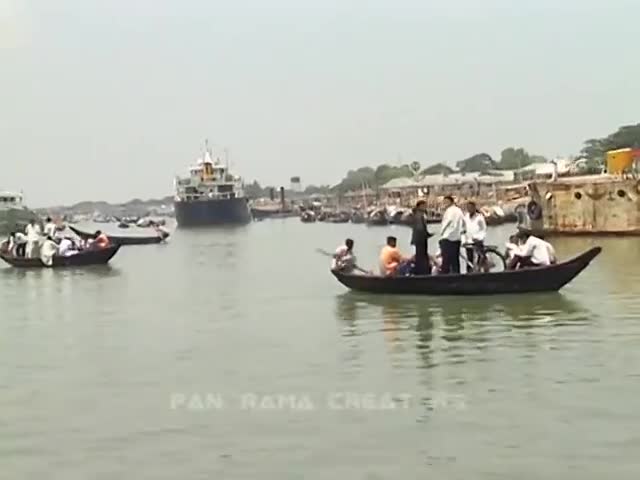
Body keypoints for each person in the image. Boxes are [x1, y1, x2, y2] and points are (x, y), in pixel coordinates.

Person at [438, 195, 465, 274]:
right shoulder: (459, 210)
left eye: (446, 202)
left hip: (447, 237)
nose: (444, 204)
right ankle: (457, 276)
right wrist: (463, 231)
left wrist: (442, 232)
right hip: (457, 238)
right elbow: (464, 222)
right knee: (455, 261)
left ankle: (445, 278)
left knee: (446, 261)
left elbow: (448, 221)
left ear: (451, 202)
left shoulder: (449, 210)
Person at [462, 201, 487, 272]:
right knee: (469, 258)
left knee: (480, 257)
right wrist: (463, 238)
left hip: (477, 239)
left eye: (471, 207)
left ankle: (482, 270)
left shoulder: (479, 217)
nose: (469, 209)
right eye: (468, 208)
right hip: (468, 240)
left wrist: (479, 237)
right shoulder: (465, 217)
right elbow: (463, 228)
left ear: (474, 208)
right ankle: (469, 272)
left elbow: (483, 229)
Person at [410, 200, 433, 275]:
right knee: (421, 255)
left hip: (419, 238)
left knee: (420, 255)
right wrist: (426, 235)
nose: (425, 207)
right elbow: (420, 228)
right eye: (424, 205)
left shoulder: (418, 214)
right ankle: (422, 272)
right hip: (420, 239)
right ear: (420, 206)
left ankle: (421, 271)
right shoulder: (419, 215)